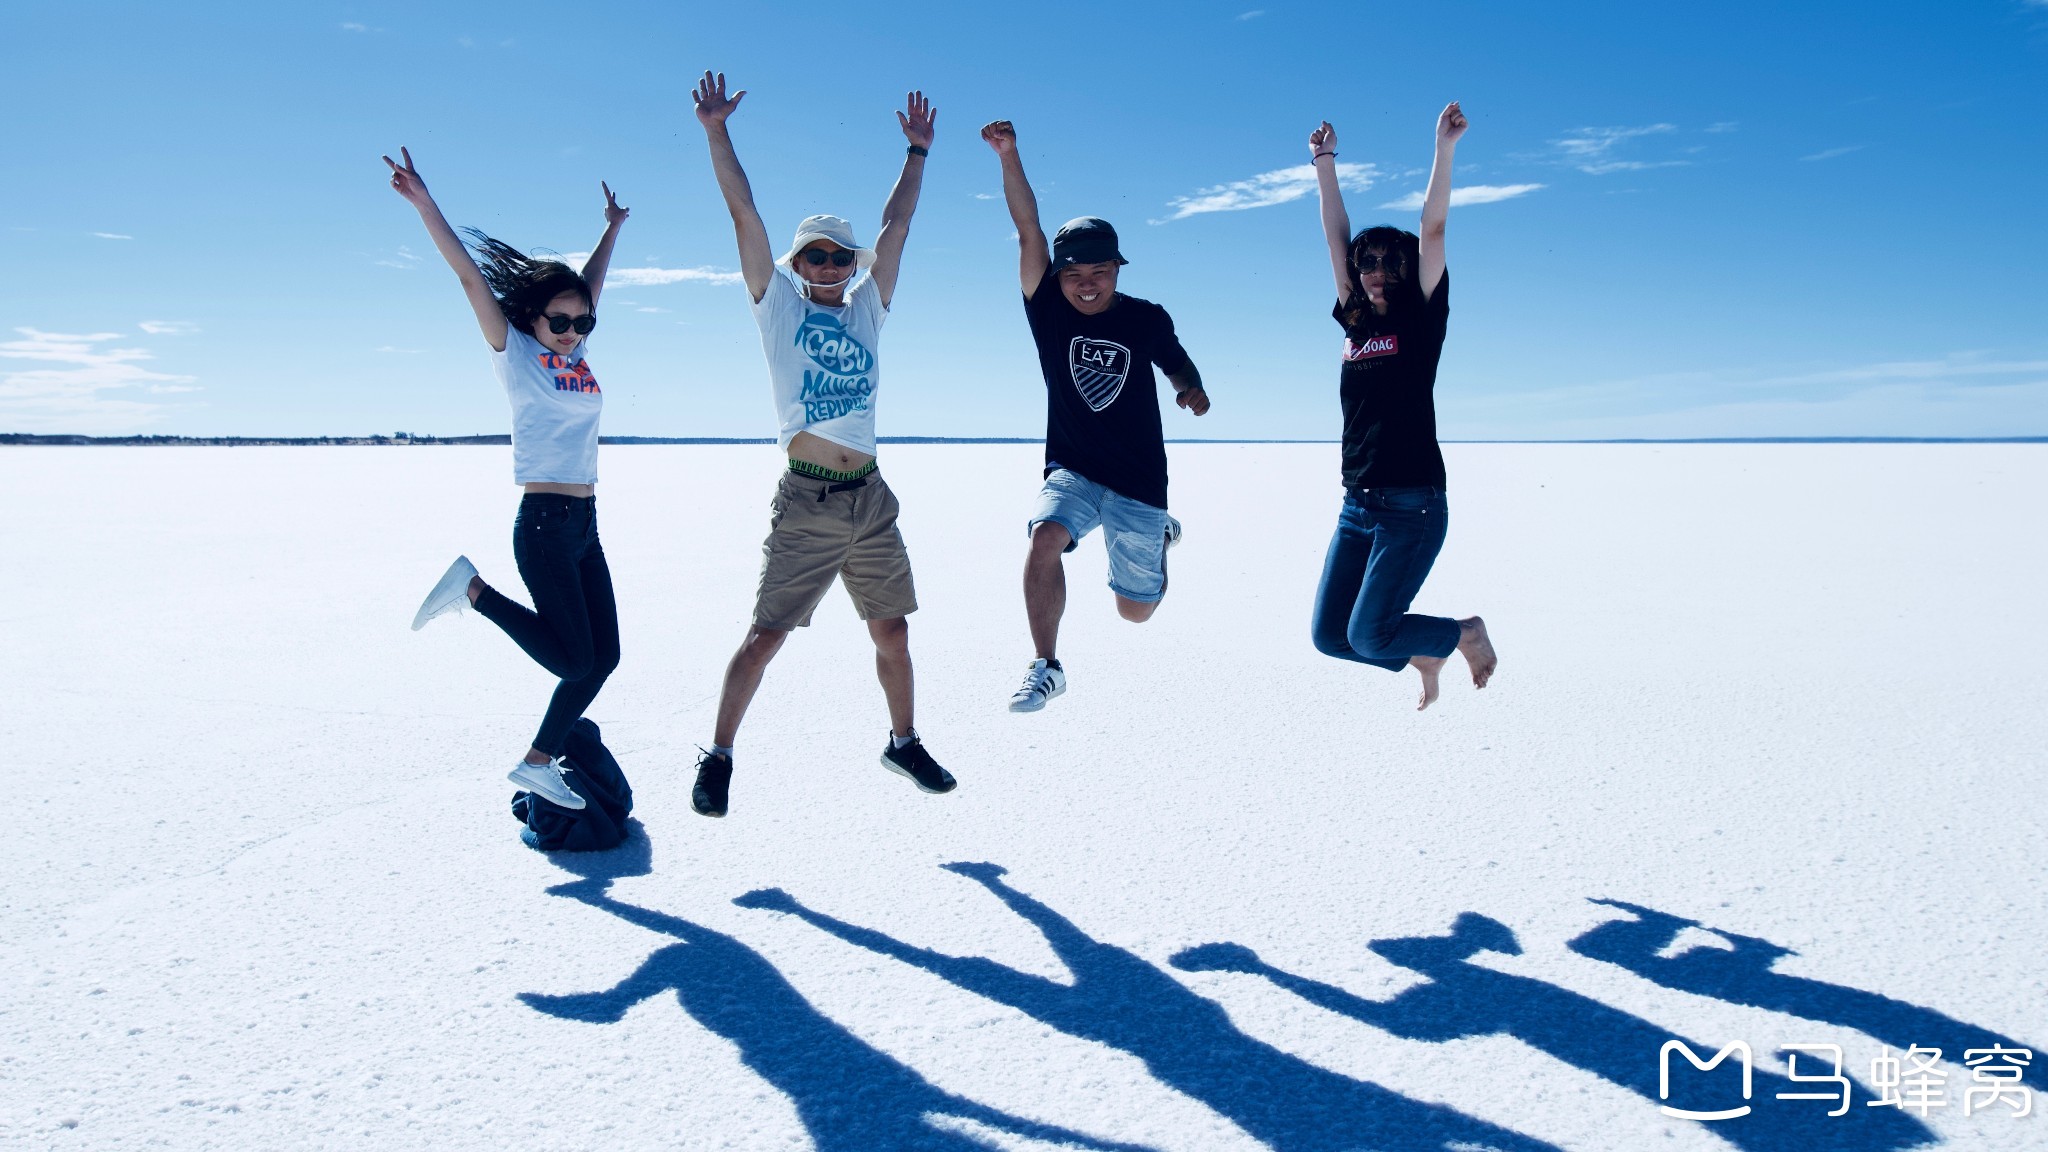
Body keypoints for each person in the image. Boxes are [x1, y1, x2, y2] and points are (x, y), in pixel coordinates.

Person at [688, 71, 954, 817]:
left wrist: (916, 153)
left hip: (870, 497)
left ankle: (902, 742)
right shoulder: (776, 311)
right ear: (798, 267)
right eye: (818, 257)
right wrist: (717, 132)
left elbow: (895, 228)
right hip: (807, 498)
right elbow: (744, 213)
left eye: (841, 255)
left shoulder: (868, 310)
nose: (832, 266)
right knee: (766, 636)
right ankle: (719, 755)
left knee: (892, 630)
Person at [387, 146, 628, 809]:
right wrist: (425, 203)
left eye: (583, 322)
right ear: (532, 319)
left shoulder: (575, 351)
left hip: (583, 524)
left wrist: (612, 229)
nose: (574, 330)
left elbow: (591, 285)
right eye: (561, 321)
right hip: (545, 524)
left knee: (602, 658)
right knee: (574, 661)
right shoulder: (518, 354)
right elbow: (470, 278)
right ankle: (471, 590)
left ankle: (537, 762)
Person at [980, 119, 1212, 714]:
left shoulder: (1144, 317)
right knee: (1043, 539)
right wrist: (1009, 155)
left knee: (1135, 613)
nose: (1086, 286)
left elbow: (1178, 364)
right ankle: (1046, 665)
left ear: (1117, 269)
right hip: (1074, 467)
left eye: (1099, 273)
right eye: (1074, 275)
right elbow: (1027, 227)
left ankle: (1158, 538)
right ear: (1058, 275)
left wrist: (1191, 389)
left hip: (1137, 479)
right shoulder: (1047, 310)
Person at [1306, 104, 1497, 710]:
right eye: (1368, 266)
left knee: (1368, 633)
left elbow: (1433, 229)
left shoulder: (1422, 318)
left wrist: (1443, 149)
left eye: (1391, 266)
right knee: (1331, 638)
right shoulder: (1355, 318)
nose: (1377, 276)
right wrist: (1324, 165)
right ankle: (1423, 651)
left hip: (1411, 506)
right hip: (1357, 502)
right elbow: (1335, 236)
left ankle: (1461, 634)